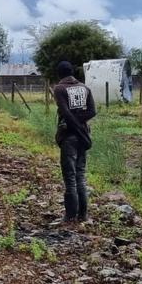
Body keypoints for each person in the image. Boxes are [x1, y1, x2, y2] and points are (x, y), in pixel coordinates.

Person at [52, 61, 96, 222]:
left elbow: (65, 112)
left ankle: (70, 216)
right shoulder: (84, 88)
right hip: (83, 136)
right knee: (80, 175)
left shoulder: (59, 89)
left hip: (69, 137)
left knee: (70, 176)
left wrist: (73, 124)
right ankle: (83, 215)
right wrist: (80, 126)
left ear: (59, 74)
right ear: (72, 72)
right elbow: (92, 111)